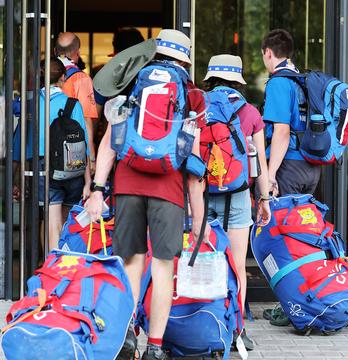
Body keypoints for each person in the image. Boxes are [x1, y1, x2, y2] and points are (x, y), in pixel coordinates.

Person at [87, 30, 207, 360]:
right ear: (184, 58)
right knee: (163, 267)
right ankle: (155, 347)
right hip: (168, 187)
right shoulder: (192, 94)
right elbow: (194, 164)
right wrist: (198, 218)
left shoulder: (132, 83)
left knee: (130, 262)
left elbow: (111, 141)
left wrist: (98, 190)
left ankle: (127, 337)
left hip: (127, 184)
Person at [199, 54, 272, 350]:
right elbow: (261, 165)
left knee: (202, 261)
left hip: (201, 193)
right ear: (237, 80)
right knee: (237, 264)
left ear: (210, 78)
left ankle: (201, 325)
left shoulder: (197, 106)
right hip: (238, 193)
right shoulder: (250, 112)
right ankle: (236, 331)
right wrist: (264, 198)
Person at [12, 58, 91, 251]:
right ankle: (67, 266)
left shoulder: (30, 104)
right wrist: (89, 182)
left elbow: (19, 143)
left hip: (43, 167)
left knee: (51, 223)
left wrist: (16, 177)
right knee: (67, 223)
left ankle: (53, 270)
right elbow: (84, 145)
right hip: (73, 168)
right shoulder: (73, 105)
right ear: (63, 77)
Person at [261, 28, 321, 196]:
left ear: (268, 53)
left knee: (277, 220)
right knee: (301, 221)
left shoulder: (279, 82)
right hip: (311, 167)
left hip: (288, 165)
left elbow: (282, 131)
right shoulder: (303, 81)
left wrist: (270, 175)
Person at [55, 32, 98, 172]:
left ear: (55, 51)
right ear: (77, 53)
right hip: (68, 151)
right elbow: (86, 121)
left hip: (40, 149)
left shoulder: (42, 73)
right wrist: (91, 158)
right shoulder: (80, 78)